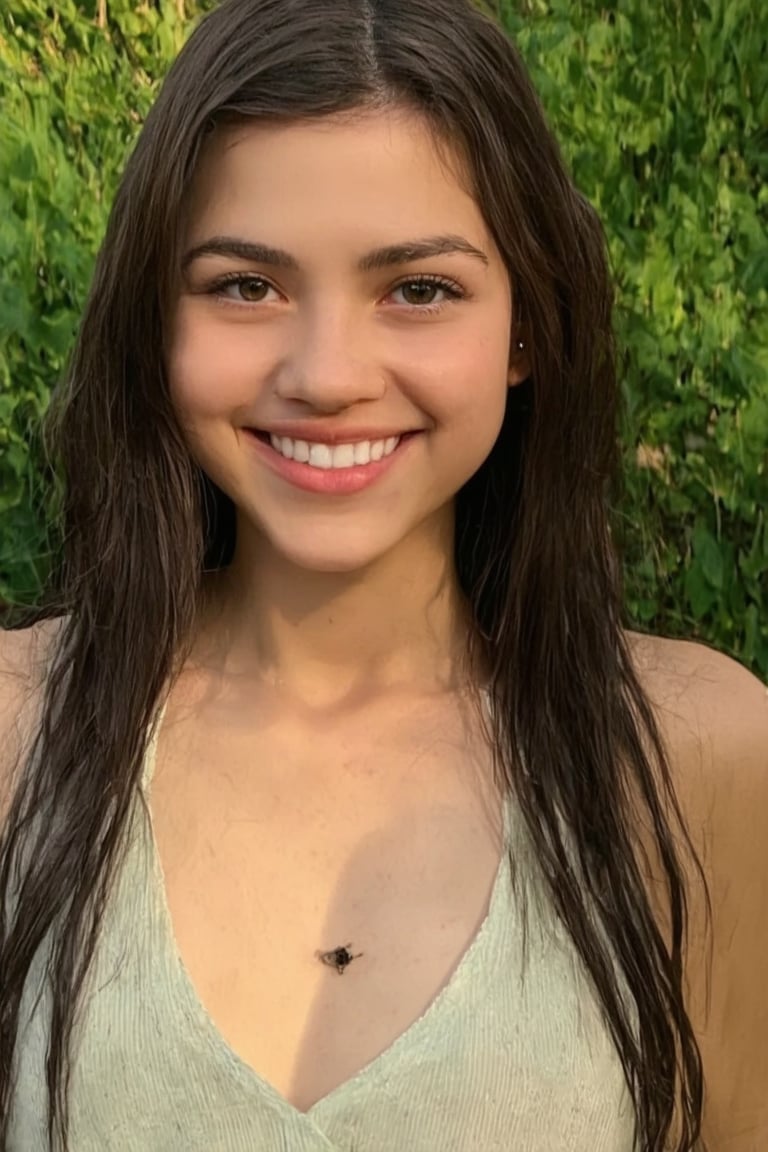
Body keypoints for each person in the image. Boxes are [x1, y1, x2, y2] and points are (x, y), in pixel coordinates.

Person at [0, 0, 765, 1148]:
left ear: (526, 332)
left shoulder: (702, 756)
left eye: (419, 288)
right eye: (245, 286)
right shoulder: (16, 733)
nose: (326, 374)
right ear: (156, 325)